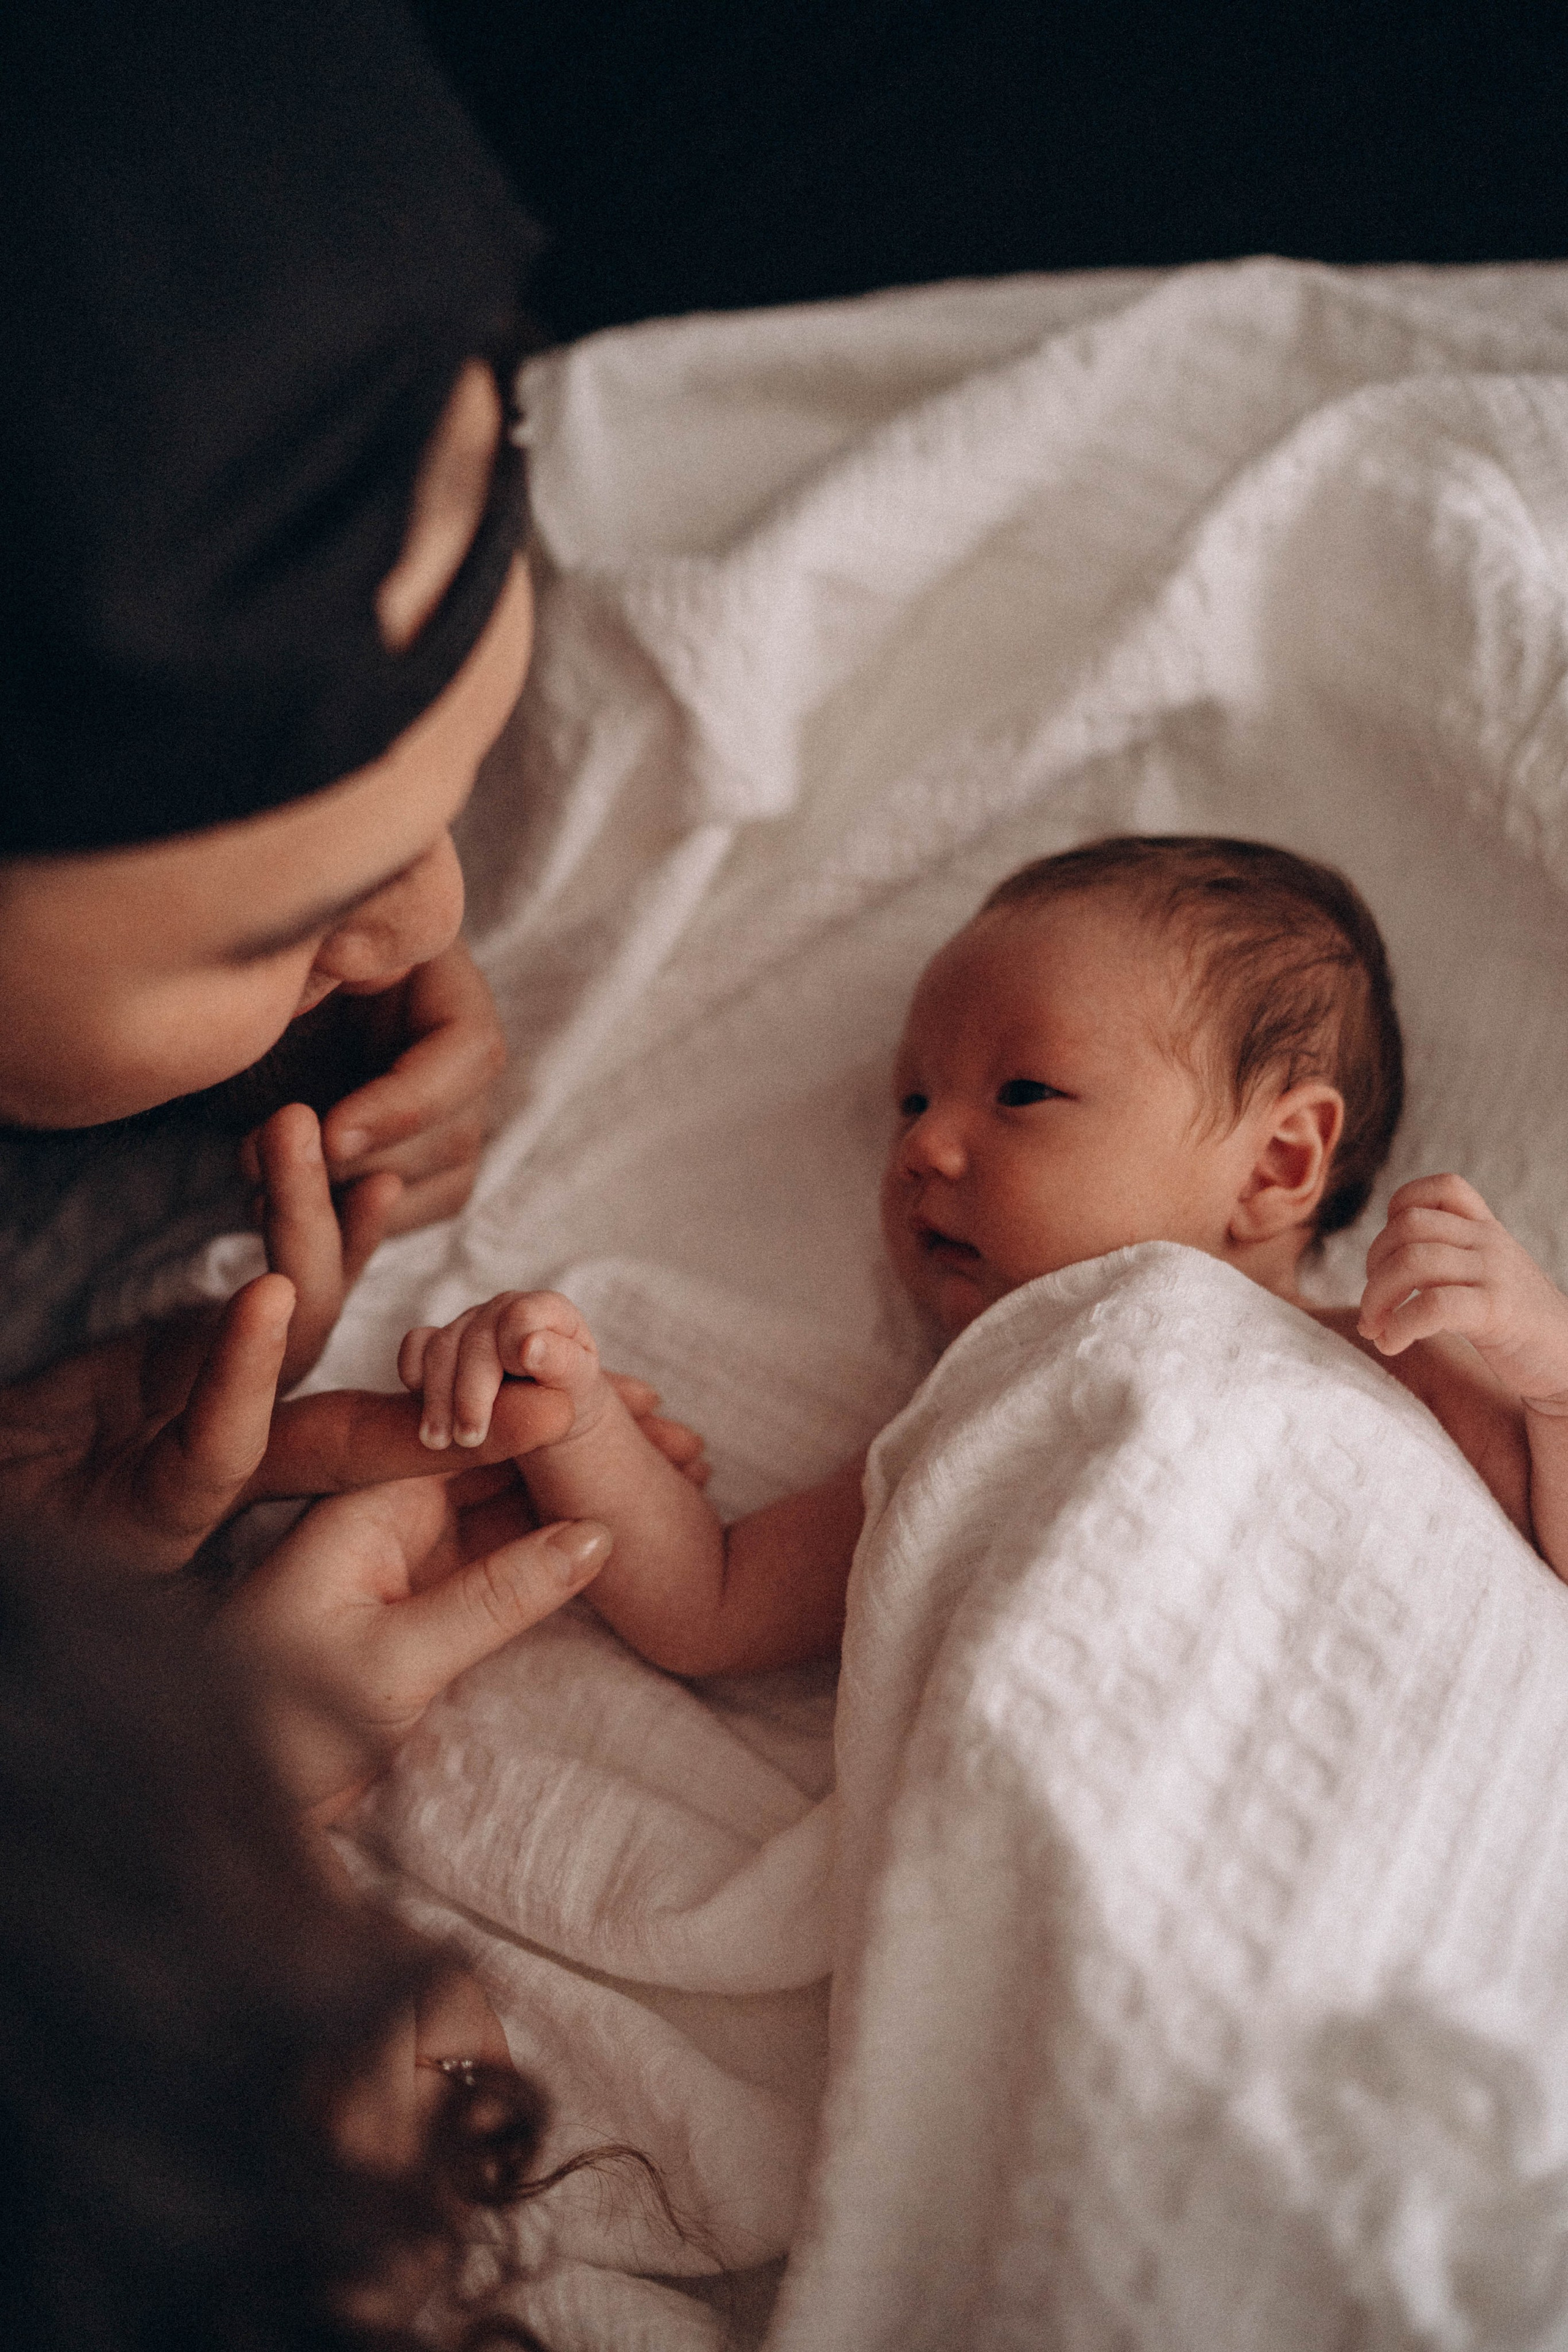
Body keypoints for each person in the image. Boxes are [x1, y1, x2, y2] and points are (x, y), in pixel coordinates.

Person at [402, 835, 1566, 1676]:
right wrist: (577, 1419)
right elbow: (712, 1607)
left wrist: (1549, 1369)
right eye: (912, 1099)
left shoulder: (1380, 1359)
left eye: (1023, 1091)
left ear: (1274, 1165)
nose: (922, 1145)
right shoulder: (980, 1413)